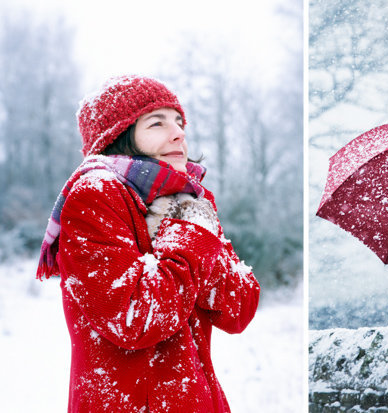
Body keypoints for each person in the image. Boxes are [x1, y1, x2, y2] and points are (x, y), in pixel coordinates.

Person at [37, 75, 261, 412]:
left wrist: (191, 222)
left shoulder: (188, 201)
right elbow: (134, 319)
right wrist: (190, 234)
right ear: (117, 136)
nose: (178, 133)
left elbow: (239, 309)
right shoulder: (94, 196)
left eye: (179, 122)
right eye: (157, 123)